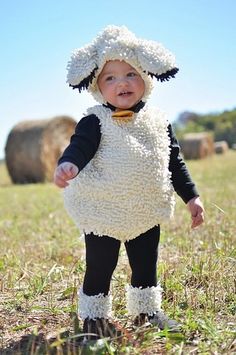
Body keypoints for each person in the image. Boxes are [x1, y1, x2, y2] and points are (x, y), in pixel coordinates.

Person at [54, 25, 204, 338]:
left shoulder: (158, 122)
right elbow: (80, 146)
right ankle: (94, 318)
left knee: (146, 263)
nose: (122, 82)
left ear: (146, 78)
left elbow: (173, 160)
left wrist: (191, 197)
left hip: (145, 208)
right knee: (100, 265)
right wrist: (68, 164)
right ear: (97, 86)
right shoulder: (95, 120)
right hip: (104, 209)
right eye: (111, 77)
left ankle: (146, 312)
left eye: (131, 74)